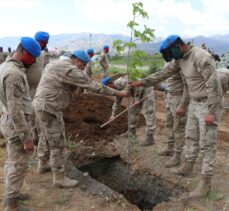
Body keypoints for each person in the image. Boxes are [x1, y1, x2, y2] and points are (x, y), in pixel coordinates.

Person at [129, 35, 223, 198]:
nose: (172, 59)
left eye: (172, 54)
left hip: (208, 104)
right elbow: (163, 74)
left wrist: (212, 112)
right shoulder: (179, 60)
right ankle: (188, 166)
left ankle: (205, 183)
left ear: (178, 47)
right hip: (194, 103)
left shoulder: (201, 56)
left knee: (207, 144)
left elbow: (214, 85)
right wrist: (142, 82)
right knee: (191, 137)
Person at [33, 50, 127, 188]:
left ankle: (42, 164)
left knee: (44, 136)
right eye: (83, 65)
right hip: (50, 108)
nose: (83, 68)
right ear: (77, 61)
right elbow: (94, 86)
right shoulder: (71, 70)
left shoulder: (55, 64)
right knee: (58, 142)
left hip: (40, 105)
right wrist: (118, 92)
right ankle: (59, 177)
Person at [0, 37, 41, 210]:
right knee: (18, 165)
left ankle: (11, 195)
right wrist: (27, 138)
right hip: (17, 125)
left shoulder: (5, 67)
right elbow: (16, 110)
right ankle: (12, 205)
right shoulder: (14, 74)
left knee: (12, 160)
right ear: (22, 51)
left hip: (7, 120)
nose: (34, 61)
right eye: (32, 57)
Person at [101, 75, 156, 146]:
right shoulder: (115, 88)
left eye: (107, 88)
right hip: (136, 92)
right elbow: (117, 102)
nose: (108, 90)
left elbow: (138, 85)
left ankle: (150, 137)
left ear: (109, 84)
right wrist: (113, 115)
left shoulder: (123, 82)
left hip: (146, 89)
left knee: (149, 112)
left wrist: (137, 99)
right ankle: (131, 132)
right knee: (132, 112)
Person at [158, 70, 189, 168]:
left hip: (178, 98)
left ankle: (177, 156)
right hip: (169, 96)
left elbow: (187, 85)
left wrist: (183, 105)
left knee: (178, 128)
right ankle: (170, 148)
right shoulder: (168, 62)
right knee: (169, 124)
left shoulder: (180, 63)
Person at [26, 31, 50, 147]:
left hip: (40, 87)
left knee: (38, 111)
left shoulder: (43, 53)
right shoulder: (28, 51)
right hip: (28, 88)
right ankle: (28, 136)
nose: (42, 44)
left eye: (44, 43)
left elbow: (46, 67)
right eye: (41, 42)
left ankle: (36, 135)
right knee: (28, 112)